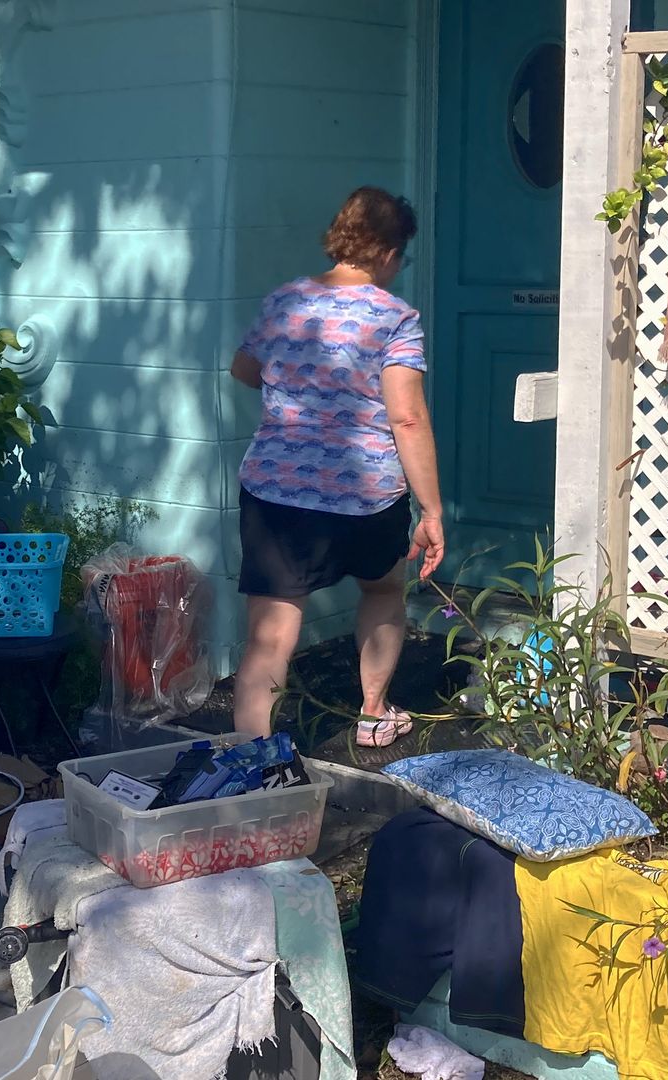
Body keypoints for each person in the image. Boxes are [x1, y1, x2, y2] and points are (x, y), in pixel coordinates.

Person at [229, 186, 445, 747]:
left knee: (270, 637)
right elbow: (408, 418)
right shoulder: (395, 318)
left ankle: (252, 759)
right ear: (390, 253)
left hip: (277, 493)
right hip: (365, 495)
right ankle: (372, 712)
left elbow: (245, 370)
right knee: (381, 590)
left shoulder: (283, 302)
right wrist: (432, 510)